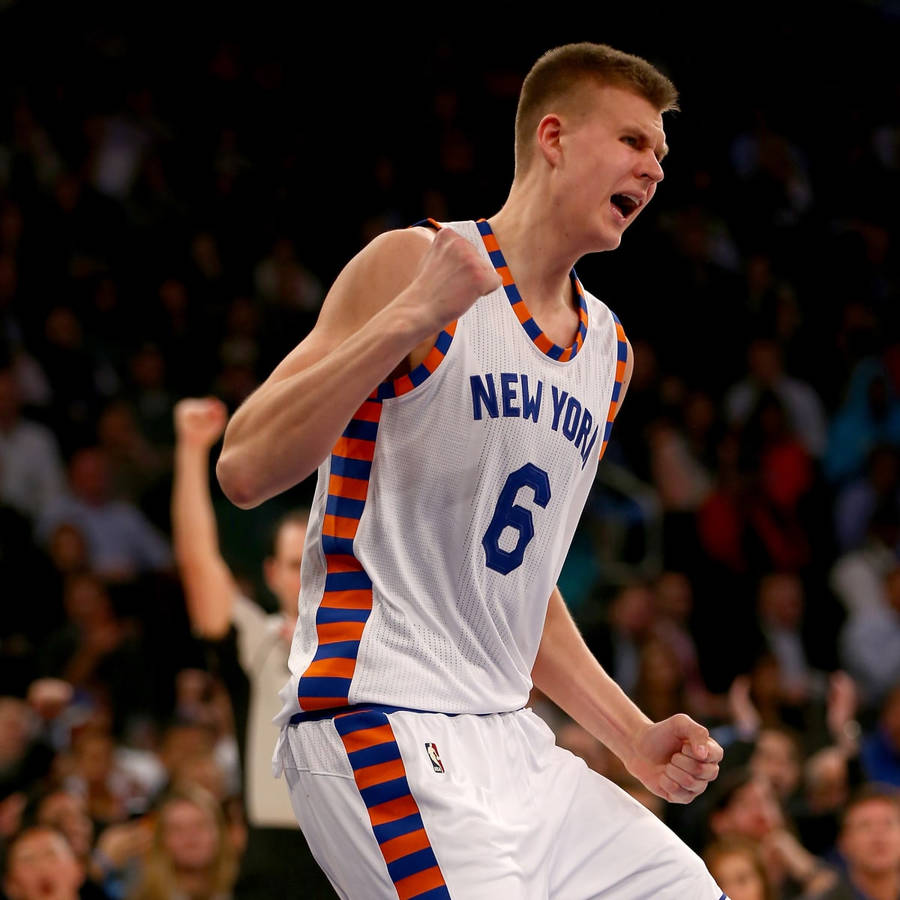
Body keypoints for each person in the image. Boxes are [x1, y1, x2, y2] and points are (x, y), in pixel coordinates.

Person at [217, 42, 727, 897]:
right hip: (379, 712)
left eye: (662, 155)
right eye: (635, 142)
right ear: (554, 137)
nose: (655, 168)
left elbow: (517, 588)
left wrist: (629, 733)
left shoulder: (609, 353)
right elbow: (245, 465)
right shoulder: (416, 262)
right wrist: (410, 315)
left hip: (513, 740)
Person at [170, 397, 331, 896]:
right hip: (277, 859)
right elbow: (199, 565)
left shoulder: (381, 639)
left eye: (319, 557)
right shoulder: (256, 641)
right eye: (292, 563)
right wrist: (193, 450)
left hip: (369, 849)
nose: (307, 573)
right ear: (270, 575)